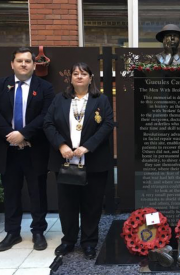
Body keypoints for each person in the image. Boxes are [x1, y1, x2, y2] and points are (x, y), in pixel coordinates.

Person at [43, 62, 114, 260]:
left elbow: (108, 124)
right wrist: (61, 145)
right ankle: (68, 241)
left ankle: (89, 242)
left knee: (92, 204)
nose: (79, 77)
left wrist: (87, 146)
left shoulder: (101, 99)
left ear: (91, 78)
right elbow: (47, 123)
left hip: (94, 161)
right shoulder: (60, 99)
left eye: (84, 74)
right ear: (71, 78)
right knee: (67, 204)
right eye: (76, 74)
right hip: (65, 161)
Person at [0, 47, 54, 251]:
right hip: (7, 149)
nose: (23, 64)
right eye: (19, 61)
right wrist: (13, 136)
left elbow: (46, 115)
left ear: (34, 65)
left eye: (27, 61)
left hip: (35, 148)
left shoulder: (45, 87)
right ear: (12, 64)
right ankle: (12, 233)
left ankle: (38, 232)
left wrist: (24, 134)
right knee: (11, 192)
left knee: (37, 193)